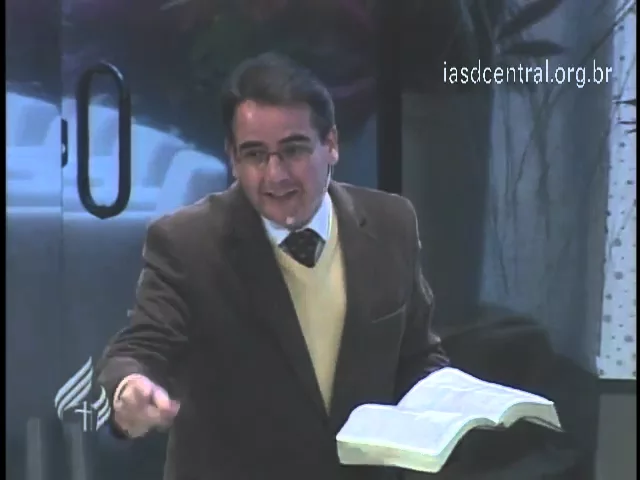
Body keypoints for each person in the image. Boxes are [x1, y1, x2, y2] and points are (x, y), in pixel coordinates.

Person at [97, 52, 449, 480]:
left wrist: (451, 403)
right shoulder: (187, 243)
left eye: (293, 150)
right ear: (232, 158)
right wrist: (131, 388)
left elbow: (417, 355)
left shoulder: (391, 223)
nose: (275, 174)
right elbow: (142, 346)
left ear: (331, 144)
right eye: (255, 155)